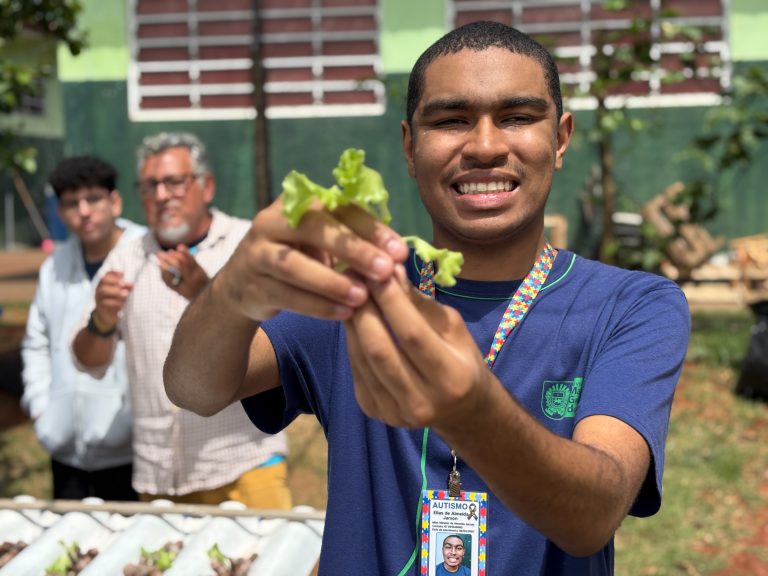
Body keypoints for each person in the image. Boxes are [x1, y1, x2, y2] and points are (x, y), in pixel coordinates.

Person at [163, 22, 690, 575]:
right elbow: (193, 387)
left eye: (516, 117)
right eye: (451, 120)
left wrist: (471, 411)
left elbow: (593, 515)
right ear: (410, 147)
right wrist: (235, 289)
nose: (485, 147)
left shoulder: (630, 307)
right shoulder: (355, 289)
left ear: (560, 139)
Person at [71, 132, 290, 509]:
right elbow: (87, 361)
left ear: (207, 186)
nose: (161, 195)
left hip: (245, 465)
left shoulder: (246, 244)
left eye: (174, 182)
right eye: (149, 185)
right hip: (160, 478)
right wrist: (101, 320)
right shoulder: (125, 257)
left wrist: (206, 294)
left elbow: (283, 343)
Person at [21, 155, 145, 501]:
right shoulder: (54, 267)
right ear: (60, 212)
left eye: (93, 198)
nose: (84, 211)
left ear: (115, 201)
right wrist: (42, 409)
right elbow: (36, 343)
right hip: (66, 451)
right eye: (72, 203)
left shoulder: (145, 254)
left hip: (131, 451)